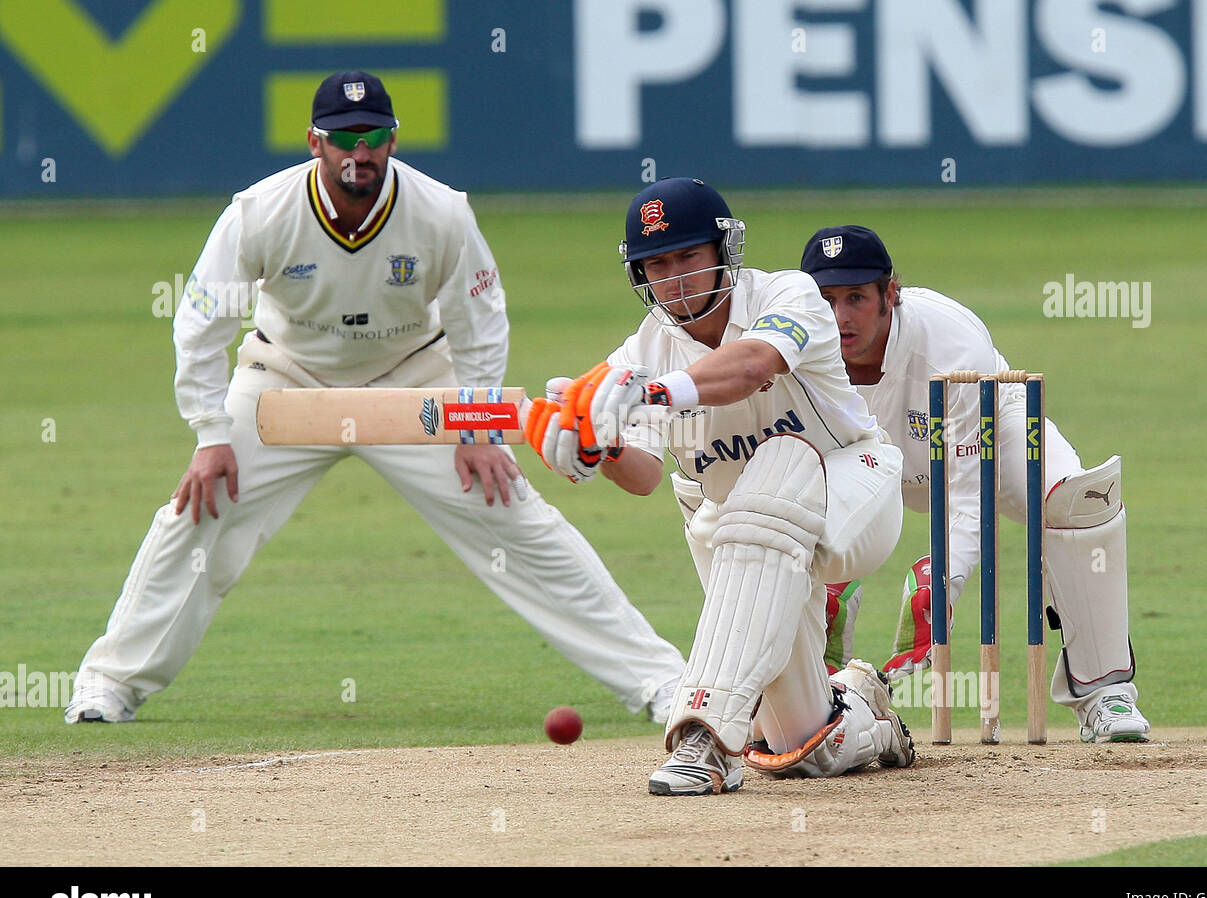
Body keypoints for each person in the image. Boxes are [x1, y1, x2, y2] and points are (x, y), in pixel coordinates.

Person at [64, 71, 685, 726]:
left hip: (413, 380)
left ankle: (663, 683)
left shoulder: (442, 211)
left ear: (393, 140)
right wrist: (211, 434)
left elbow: (480, 324)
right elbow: (200, 329)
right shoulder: (259, 213)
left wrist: (478, 429)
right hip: (286, 379)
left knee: (514, 516)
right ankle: (107, 684)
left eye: (375, 137)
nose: (360, 153)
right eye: (344, 139)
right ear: (315, 142)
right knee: (196, 512)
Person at [527, 178, 914, 795]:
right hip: (746, 534)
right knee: (800, 744)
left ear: (723, 250)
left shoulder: (790, 294)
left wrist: (650, 392)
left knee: (780, 463)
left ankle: (703, 739)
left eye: (688, 257)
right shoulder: (641, 350)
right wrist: (601, 443)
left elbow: (753, 366)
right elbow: (645, 476)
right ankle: (865, 714)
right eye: (658, 264)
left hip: (851, 487)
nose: (675, 278)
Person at [800, 225, 1150, 743]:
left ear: (890, 293)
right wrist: (829, 574)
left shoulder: (951, 345)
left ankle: (1105, 692)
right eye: (826, 299)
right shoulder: (793, 347)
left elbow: (967, 497)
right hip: (868, 461)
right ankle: (820, 705)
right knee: (798, 536)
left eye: (856, 297)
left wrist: (939, 584)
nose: (841, 317)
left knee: (1079, 502)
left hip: (986, 430)